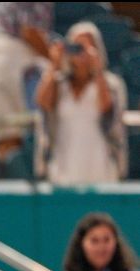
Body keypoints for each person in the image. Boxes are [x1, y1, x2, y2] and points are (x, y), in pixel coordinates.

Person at [34, 21, 127, 186]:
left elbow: (107, 111)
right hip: (63, 165)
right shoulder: (58, 82)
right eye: (77, 46)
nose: (81, 53)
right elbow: (42, 103)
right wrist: (55, 65)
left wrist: (97, 70)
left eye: (87, 47)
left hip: (100, 165)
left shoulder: (111, 84)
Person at [0, 2, 53, 160]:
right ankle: (7, 181)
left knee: (13, 134)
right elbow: (29, 32)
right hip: (12, 58)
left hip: (12, 58)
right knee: (10, 135)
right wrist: (55, 62)